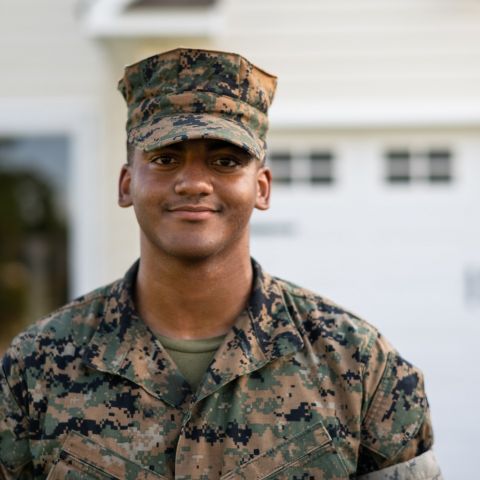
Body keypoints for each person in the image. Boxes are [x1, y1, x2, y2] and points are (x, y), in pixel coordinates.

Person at [0, 48, 442, 480]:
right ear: (126, 184)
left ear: (262, 188)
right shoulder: (36, 366)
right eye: (165, 158)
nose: (194, 183)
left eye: (226, 161)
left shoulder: (357, 365)